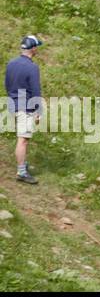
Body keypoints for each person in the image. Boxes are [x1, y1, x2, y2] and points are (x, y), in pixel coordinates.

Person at [5, 35, 44, 185]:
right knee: (23, 139)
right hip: (25, 106)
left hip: (14, 102)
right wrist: (37, 111)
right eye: (37, 46)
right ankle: (21, 172)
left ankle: (22, 165)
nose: (37, 49)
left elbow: (7, 84)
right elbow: (35, 90)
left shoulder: (12, 63)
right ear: (33, 48)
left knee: (22, 136)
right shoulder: (32, 67)